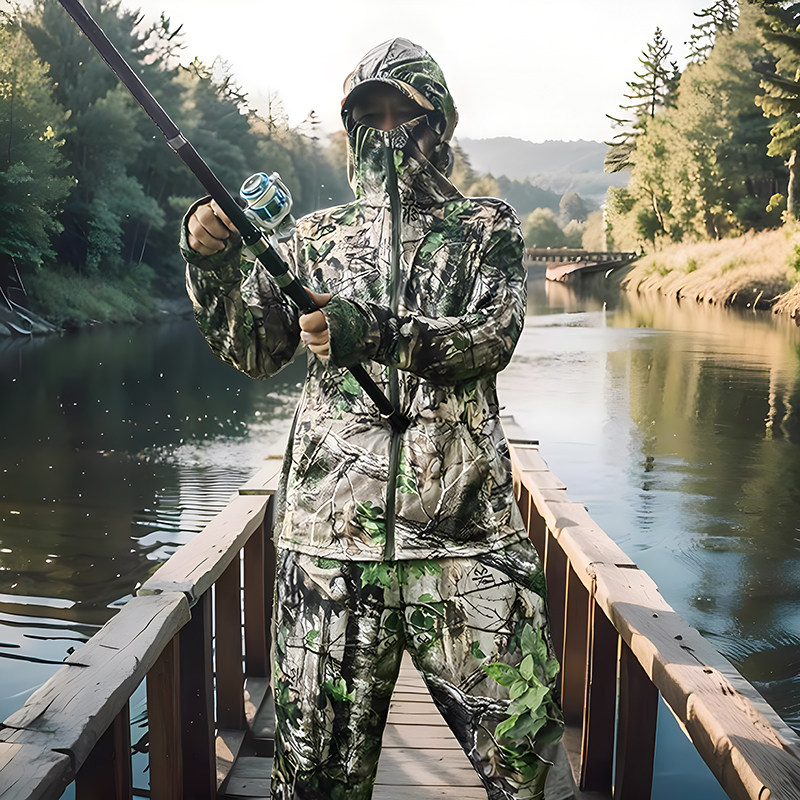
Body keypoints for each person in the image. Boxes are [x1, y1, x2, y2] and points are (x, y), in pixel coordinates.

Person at [180, 37, 563, 800]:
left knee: (523, 765)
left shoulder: (485, 227)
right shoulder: (316, 237)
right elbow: (253, 347)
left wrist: (372, 330)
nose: (387, 132)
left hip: (464, 542)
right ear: (349, 129)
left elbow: (491, 337)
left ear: (439, 125)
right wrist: (210, 256)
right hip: (328, 547)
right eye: (369, 115)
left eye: (404, 114)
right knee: (315, 779)